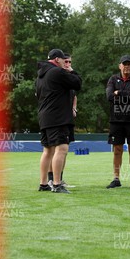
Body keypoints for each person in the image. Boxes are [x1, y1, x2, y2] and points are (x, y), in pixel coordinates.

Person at [35, 49, 82, 193]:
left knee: (47, 150)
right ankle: (57, 184)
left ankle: (44, 184)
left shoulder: (39, 77)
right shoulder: (57, 72)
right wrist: (72, 71)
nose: (65, 63)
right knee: (62, 148)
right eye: (63, 60)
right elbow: (77, 84)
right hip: (58, 118)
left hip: (44, 117)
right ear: (57, 60)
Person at [105, 54, 130, 189]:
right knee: (117, 150)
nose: (126, 66)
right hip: (116, 120)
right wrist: (127, 94)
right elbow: (109, 96)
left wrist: (119, 93)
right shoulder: (113, 79)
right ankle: (116, 179)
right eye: (124, 64)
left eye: (129, 64)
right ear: (120, 66)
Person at [47, 53, 77, 190]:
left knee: (64, 149)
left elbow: (74, 94)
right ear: (59, 61)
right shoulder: (55, 75)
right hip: (56, 117)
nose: (68, 64)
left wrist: (74, 108)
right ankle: (52, 181)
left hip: (66, 117)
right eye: (66, 62)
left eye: (70, 62)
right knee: (55, 149)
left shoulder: (67, 78)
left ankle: (59, 179)